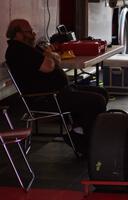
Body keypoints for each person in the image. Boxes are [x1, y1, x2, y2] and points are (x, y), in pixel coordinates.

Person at [5, 19, 108, 153]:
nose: (33, 34)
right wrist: (48, 55)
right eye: (28, 32)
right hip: (46, 98)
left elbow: (55, 60)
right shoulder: (19, 51)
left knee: (101, 93)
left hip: (58, 92)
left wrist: (49, 57)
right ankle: (87, 143)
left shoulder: (27, 48)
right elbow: (49, 66)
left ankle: (79, 132)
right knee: (96, 101)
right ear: (17, 34)